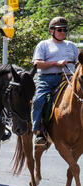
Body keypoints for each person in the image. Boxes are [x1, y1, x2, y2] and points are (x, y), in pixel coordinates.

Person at [31, 16, 79, 145]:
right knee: (39, 100)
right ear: (52, 31)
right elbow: (37, 64)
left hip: (69, 78)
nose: (63, 32)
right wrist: (56, 63)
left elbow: (79, 63)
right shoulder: (44, 45)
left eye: (65, 30)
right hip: (48, 79)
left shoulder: (72, 46)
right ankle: (39, 131)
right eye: (60, 30)